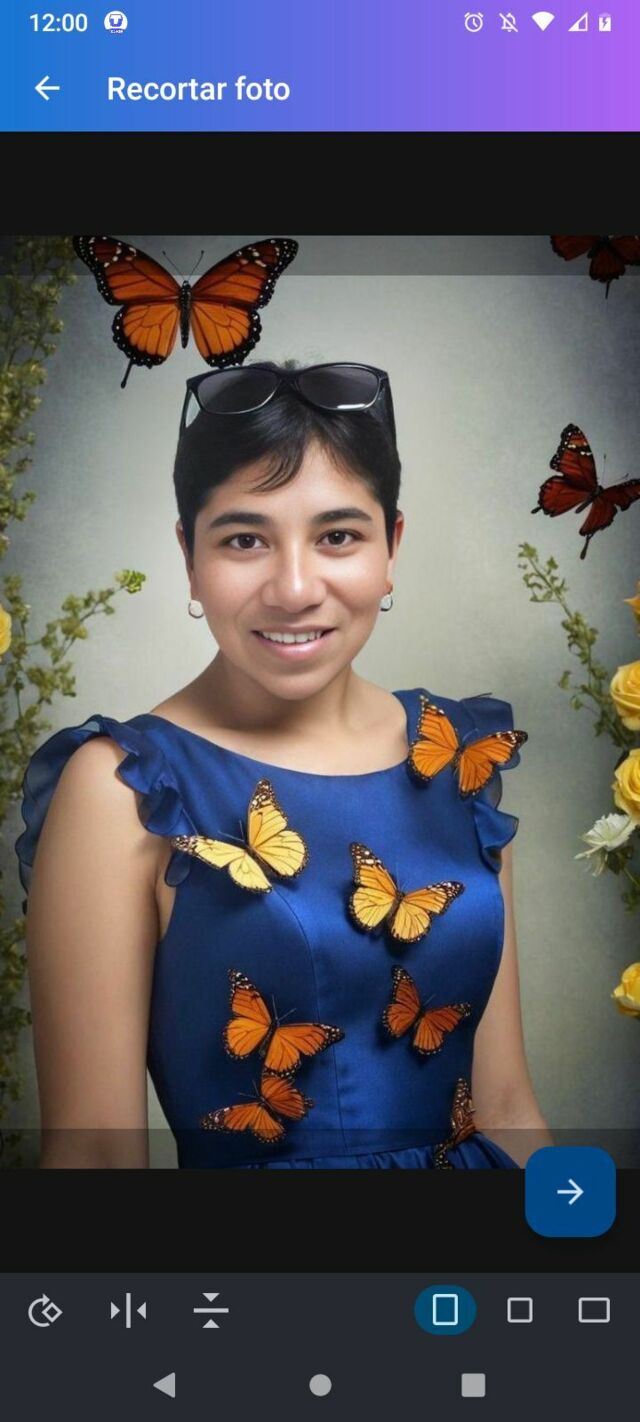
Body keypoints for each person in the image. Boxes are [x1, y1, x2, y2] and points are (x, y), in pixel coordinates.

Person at [15, 360, 550, 1169]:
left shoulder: (456, 752)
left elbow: (508, 1108)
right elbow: (93, 1156)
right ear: (189, 556)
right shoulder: (121, 785)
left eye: (338, 536)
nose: (295, 588)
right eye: (244, 539)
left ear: (392, 547)